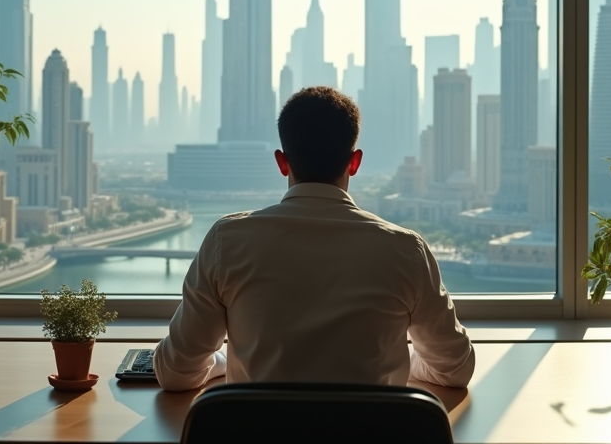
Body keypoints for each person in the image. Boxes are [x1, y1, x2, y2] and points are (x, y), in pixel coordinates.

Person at [153, 86, 476, 391]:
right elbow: (455, 369)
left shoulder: (227, 242)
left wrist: (225, 361)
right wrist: (407, 363)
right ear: (355, 162)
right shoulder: (405, 250)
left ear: (282, 162)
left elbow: (176, 373)